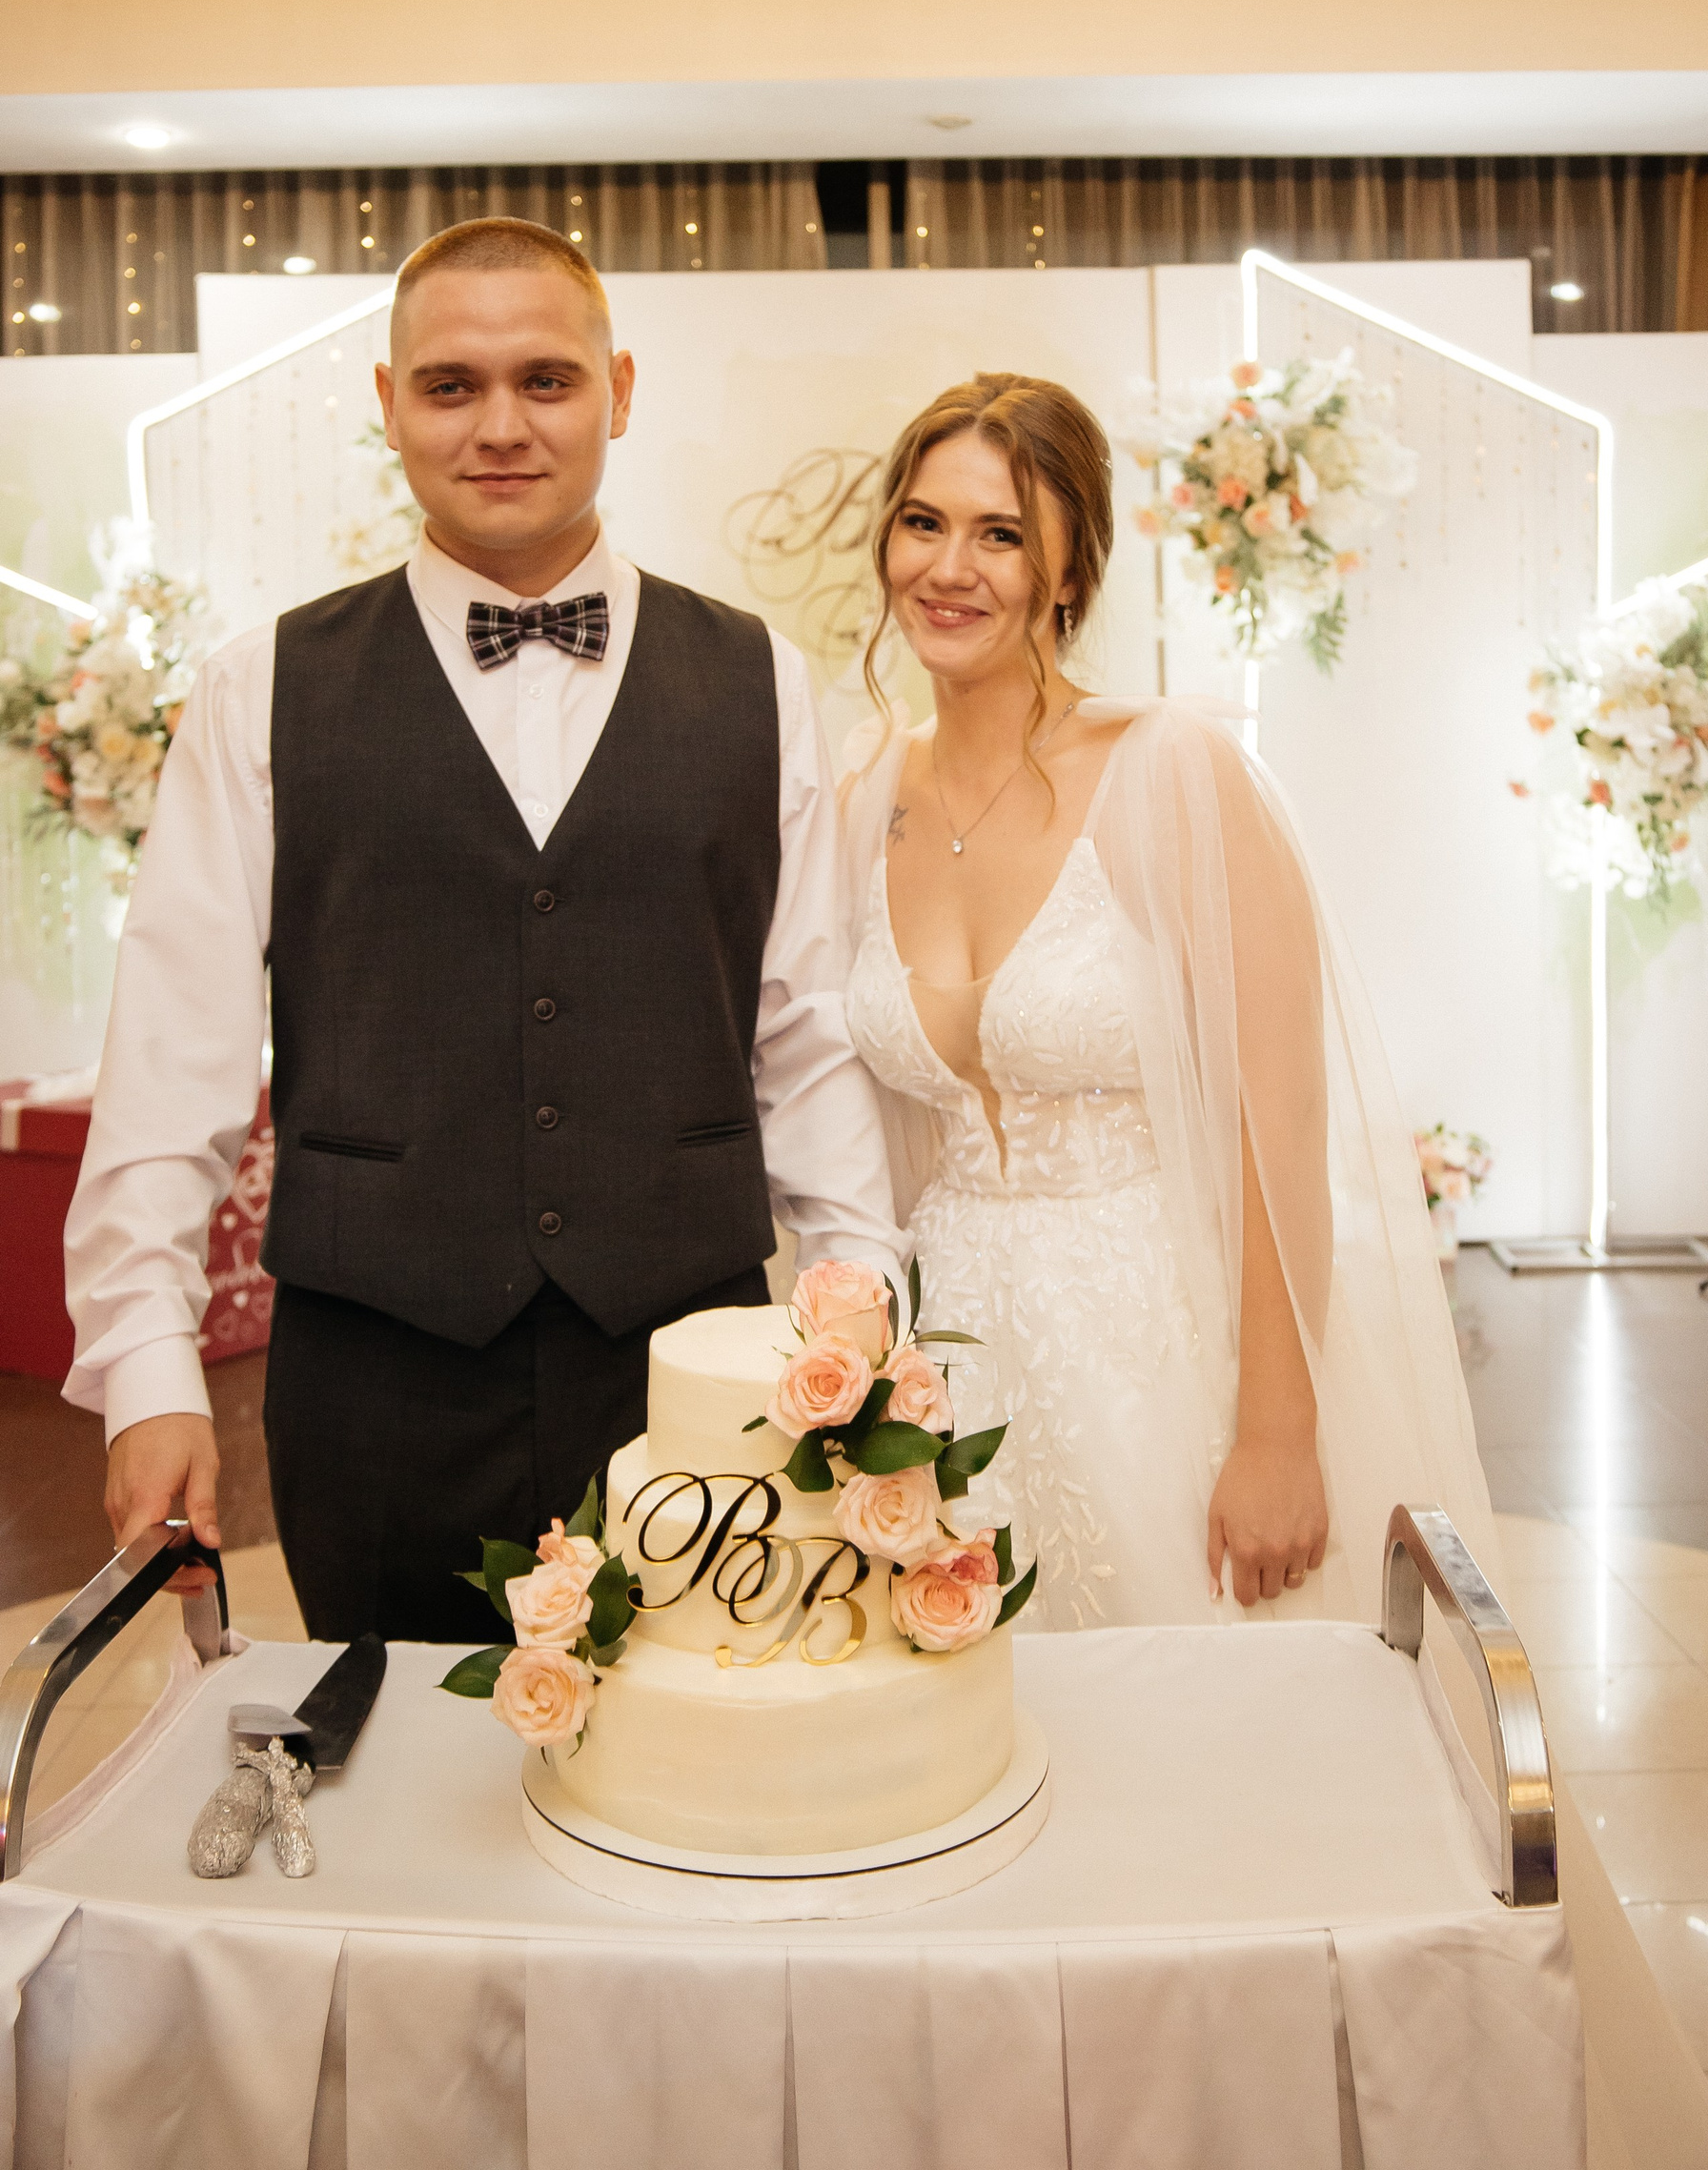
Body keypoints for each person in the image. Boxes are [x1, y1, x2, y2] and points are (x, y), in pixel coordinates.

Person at [64, 216, 904, 1641]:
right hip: (373, 1380)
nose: (500, 425)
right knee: (388, 1756)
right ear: (388, 406)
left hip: (698, 1370)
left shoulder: (760, 677)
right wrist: (146, 1367)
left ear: (617, 393)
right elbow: (172, 1048)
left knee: (697, 1748)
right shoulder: (260, 687)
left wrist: (859, 1317)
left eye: (545, 380)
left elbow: (808, 1034)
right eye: (451, 385)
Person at [839, 371, 1496, 1630]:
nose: (949, 568)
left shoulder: (1173, 771)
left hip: (1160, 1352)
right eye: (923, 522)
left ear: (1070, 571)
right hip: (947, 1366)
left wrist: (1278, 1432)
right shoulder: (870, 791)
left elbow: (1278, 1124)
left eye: (1001, 534)